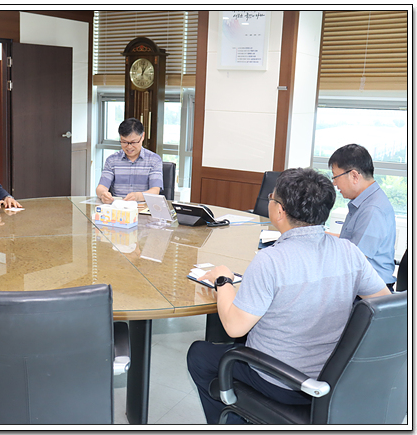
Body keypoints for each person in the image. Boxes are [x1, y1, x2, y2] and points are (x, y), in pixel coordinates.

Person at [187, 168, 390, 425]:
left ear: (280, 211)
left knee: (199, 355)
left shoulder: (270, 261)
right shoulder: (349, 251)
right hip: (334, 378)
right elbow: (385, 304)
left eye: (272, 197)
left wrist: (223, 280)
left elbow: (234, 327)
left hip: (282, 382)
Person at [328, 144, 397, 290]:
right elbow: (351, 241)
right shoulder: (366, 201)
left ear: (354, 176)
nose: (334, 183)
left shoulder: (372, 210)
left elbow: (354, 261)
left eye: (335, 176)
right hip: (360, 285)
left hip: (369, 294)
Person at [96, 118, 163, 203]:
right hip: (118, 207)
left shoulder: (154, 160)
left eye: (133, 142)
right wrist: (103, 194)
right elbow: (101, 187)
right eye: (124, 142)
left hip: (142, 207)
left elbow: (155, 191)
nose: (129, 147)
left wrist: (138, 196)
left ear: (142, 136)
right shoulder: (112, 160)